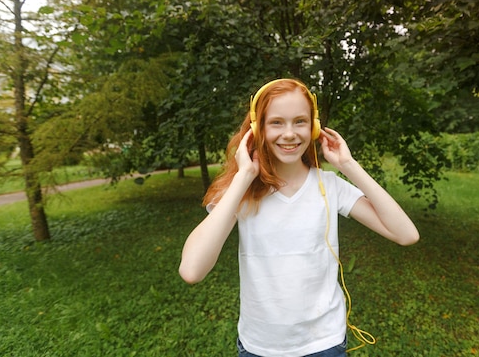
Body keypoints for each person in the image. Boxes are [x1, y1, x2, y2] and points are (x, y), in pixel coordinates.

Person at [179, 79, 419, 357]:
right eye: (276, 122)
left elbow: (406, 234)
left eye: (300, 121)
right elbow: (192, 270)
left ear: (314, 127)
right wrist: (244, 177)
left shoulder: (330, 186)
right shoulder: (242, 191)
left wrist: (347, 165)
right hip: (260, 347)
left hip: (324, 344)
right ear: (257, 129)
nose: (290, 134)